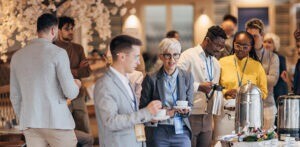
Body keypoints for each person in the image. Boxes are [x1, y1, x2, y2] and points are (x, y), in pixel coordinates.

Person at [10, 13, 81, 147]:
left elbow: (14, 96)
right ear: (54, 30)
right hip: (56, 121)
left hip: (30, 122)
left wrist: (23, 121)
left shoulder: (17, 56)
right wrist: (77, 84)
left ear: (37, 30)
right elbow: (70, 93)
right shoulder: (58, 53)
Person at [94, 35, 162, 147]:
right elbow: (110, 121)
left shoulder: (125, 80)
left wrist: (149, 117)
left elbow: (130, 114)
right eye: (135, 57)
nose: (139, 62)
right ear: (122, 57)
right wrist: (145, 112)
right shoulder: (105, 84)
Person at [178, 26, 227, 147]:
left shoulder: (216, 63)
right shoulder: (188, 56)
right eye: (217, 45)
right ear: (207, 40)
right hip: (190, 114)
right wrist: (198, 86)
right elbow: (177, 81)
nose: (219, 50)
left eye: (222, 46)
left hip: (208, 115)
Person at [140, 38, 194, 147]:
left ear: (179, 55)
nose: (172, 59)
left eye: (175, 55)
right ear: (161, 56)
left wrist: (185, 111)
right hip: (158, 130)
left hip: (181, 129)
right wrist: (162, 113)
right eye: (167, 55)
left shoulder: (187, 77)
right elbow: (143, 108)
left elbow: (190, 104)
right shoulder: (151, 79)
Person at [215, 31, 267, 138]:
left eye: (245, 47)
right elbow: (215, 87)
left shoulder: (257, 66)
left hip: (249, 116)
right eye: (237, 45)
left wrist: (246, 94)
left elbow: (264, 92)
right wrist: (226, 92)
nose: (240, 49)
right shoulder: (222, 62)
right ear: (233, 43)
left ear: (251, 47)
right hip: (225, 115)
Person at [54, 16, 93, 147]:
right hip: (61, 96)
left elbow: (87, 72)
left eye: (72, 29)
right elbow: (54, 73)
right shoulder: (52, 48)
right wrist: (77, 70)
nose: (71, 31)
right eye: (66, 29)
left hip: (79, 96)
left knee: (85, 132)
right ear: (58, 30)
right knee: (66, 133)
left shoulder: (78, 48)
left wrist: (68, 71)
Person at [246, 18, 279, 130]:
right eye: (249, 36)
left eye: (254, 36)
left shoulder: (273, 57)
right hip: (247, 106)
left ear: (262, 35)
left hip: (267, 106)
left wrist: (251, 77)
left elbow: (272, 80)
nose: (251, 39)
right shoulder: (243, 56)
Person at [263, 33, 288, 104]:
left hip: (278, 90)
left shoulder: (280, 57)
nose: (266, 44)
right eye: (264, 42)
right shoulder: (261, 57)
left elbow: (284, 77)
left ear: (275, 45)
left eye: (269, 42)